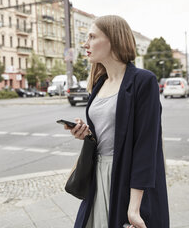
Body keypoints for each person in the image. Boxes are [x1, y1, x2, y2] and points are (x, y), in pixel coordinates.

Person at [64, 15, 169, 228]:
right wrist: (85, 133)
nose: (86, 44)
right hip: (98, 177)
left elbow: (146, 147)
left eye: (92, 37)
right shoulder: (99, 83)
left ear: (113, 40)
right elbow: (106, 134)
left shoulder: (143, 81)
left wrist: (134, 208)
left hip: (126, 179)